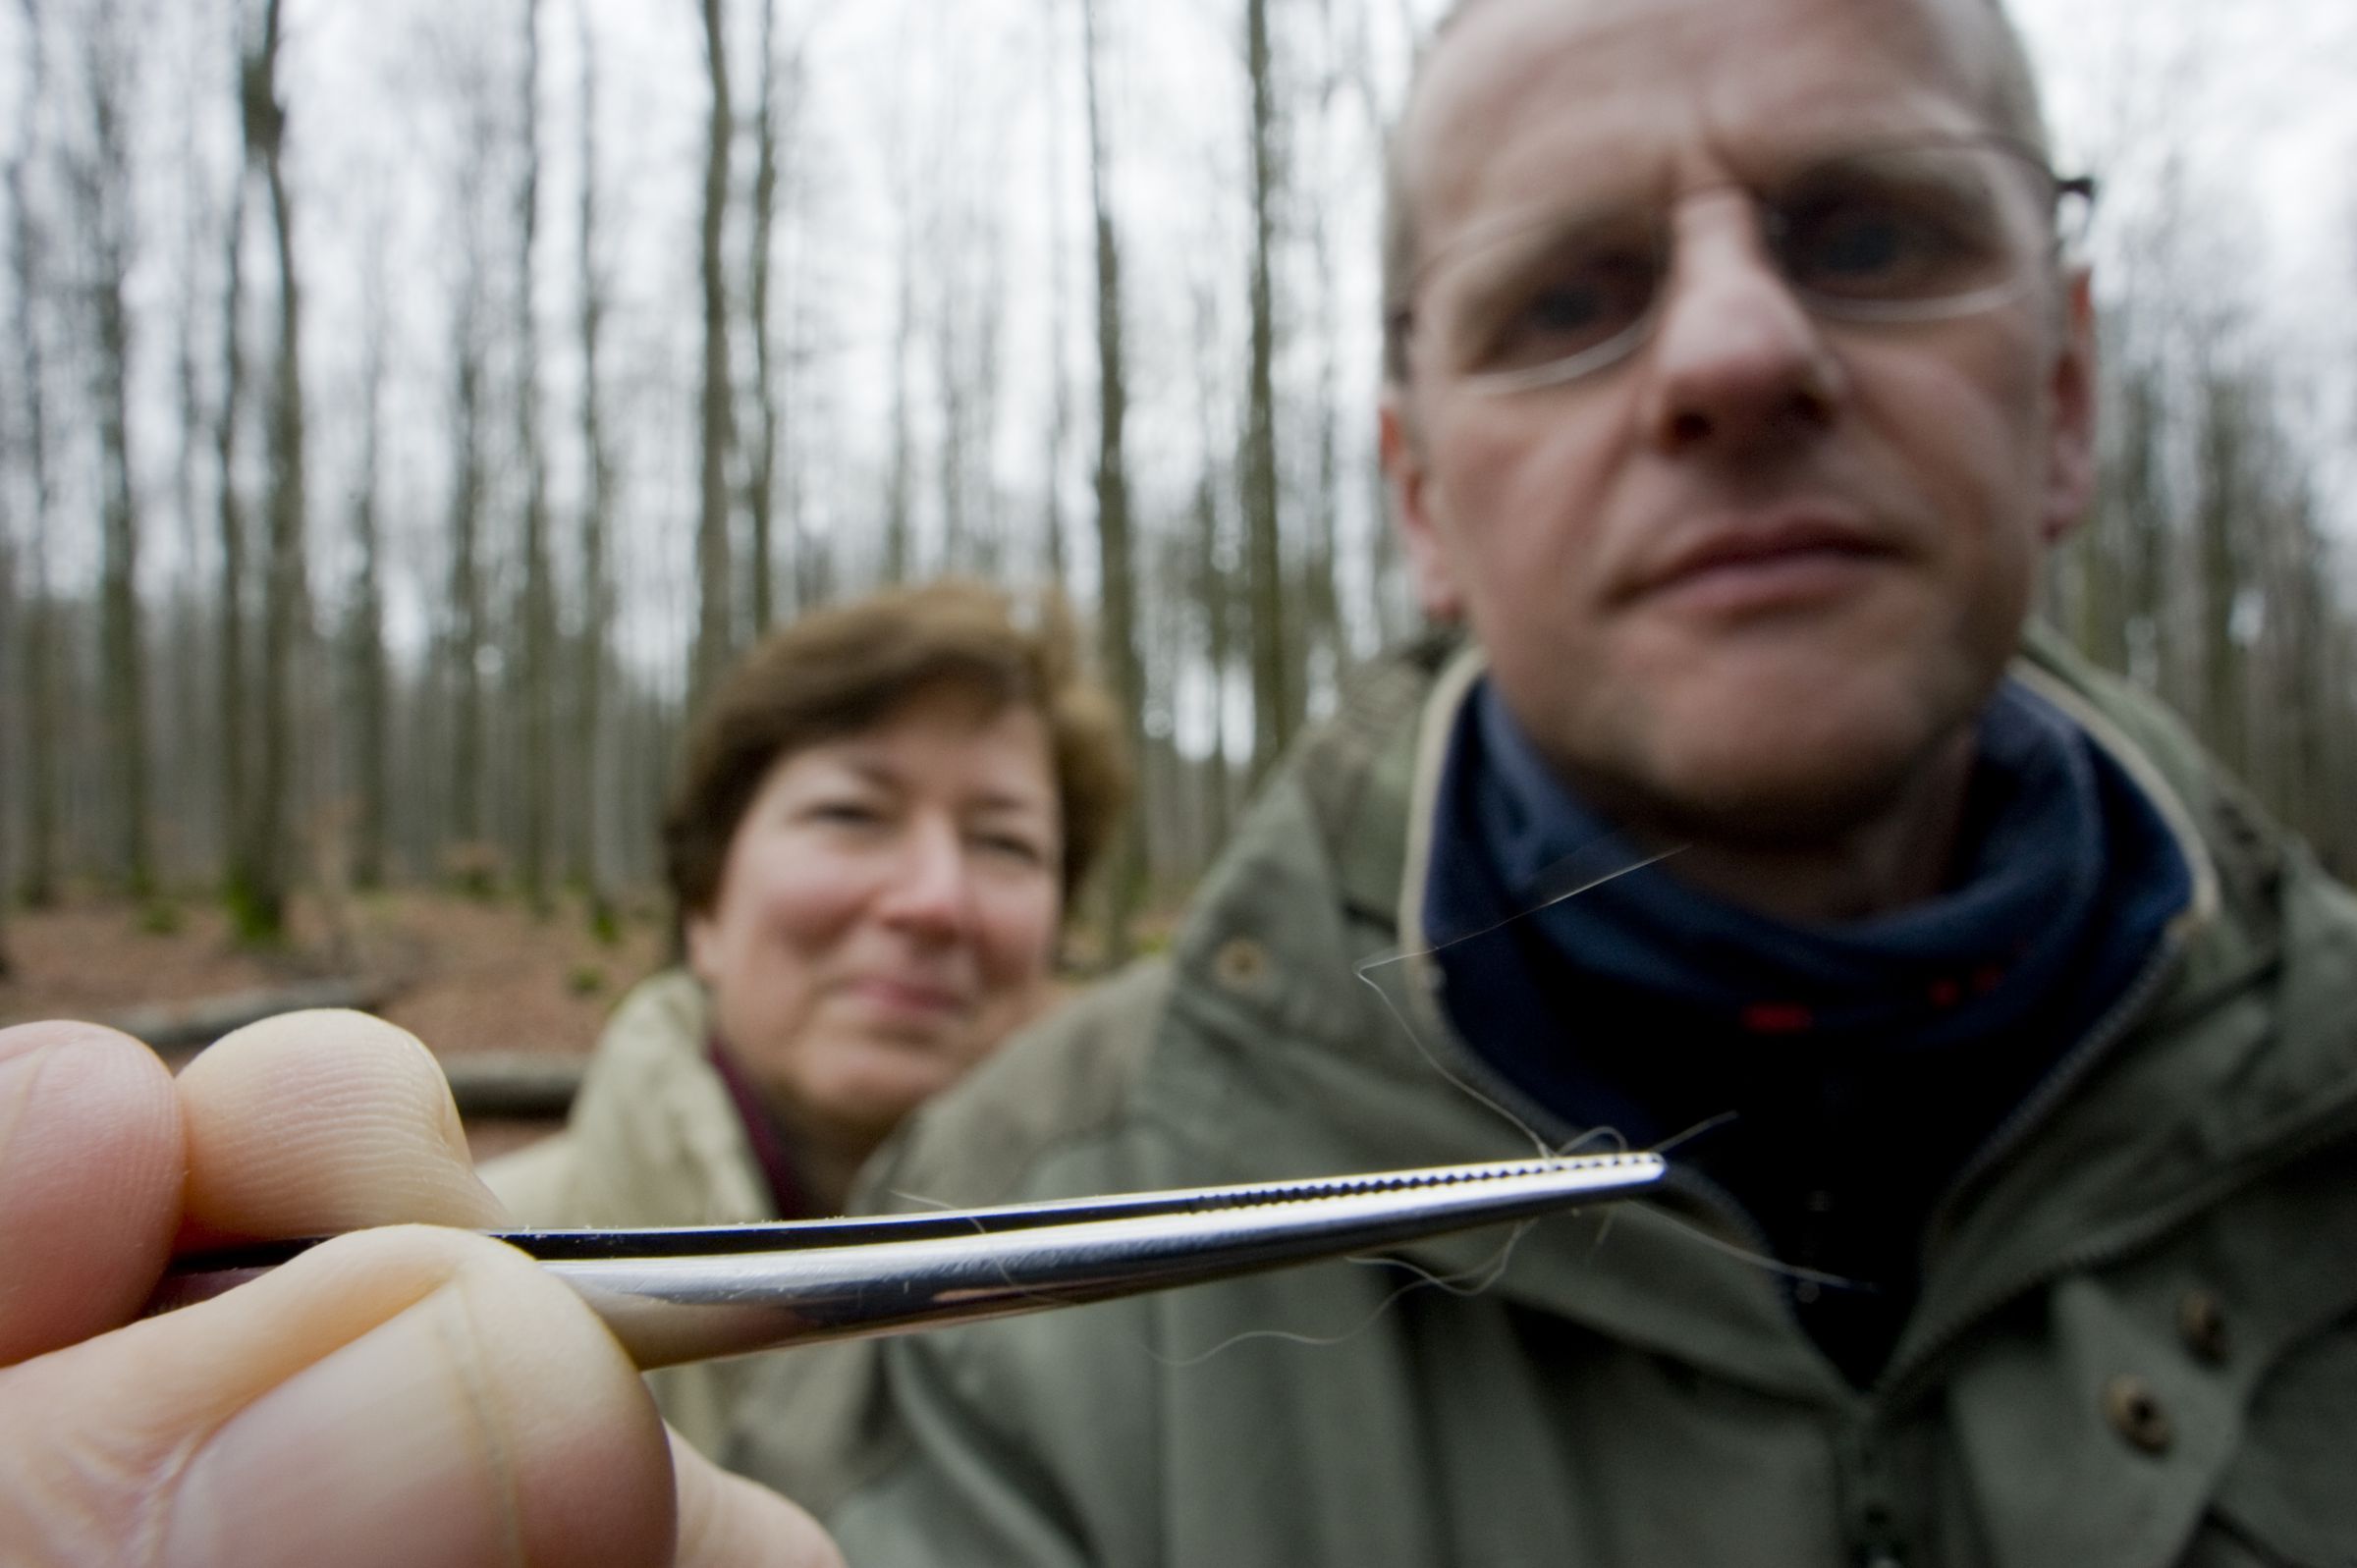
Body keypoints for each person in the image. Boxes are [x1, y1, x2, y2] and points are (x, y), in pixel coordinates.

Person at [6, 0, 2355, 1560]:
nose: (1735, 353)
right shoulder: (1025, 1261)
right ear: (1413, 491)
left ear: (2062, 395)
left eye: (1865, 234)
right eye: (1565, 294)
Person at [478, 580, 1129, 1454]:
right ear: (706, 904)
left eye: (1003, 841)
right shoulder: (476, 1279)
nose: (934, 901)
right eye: (851, 814)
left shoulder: (1162, 1305)